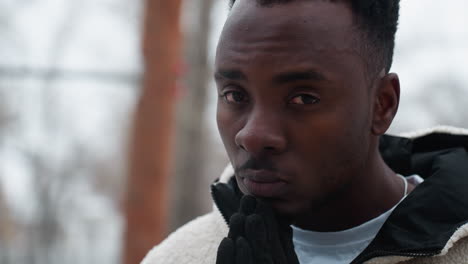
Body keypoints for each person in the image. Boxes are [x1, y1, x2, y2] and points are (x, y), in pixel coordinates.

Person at [141, 0, 468, 263]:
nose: (252, 135)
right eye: (234, 95)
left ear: (382, 104)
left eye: (302, 98)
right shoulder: (176, 257)